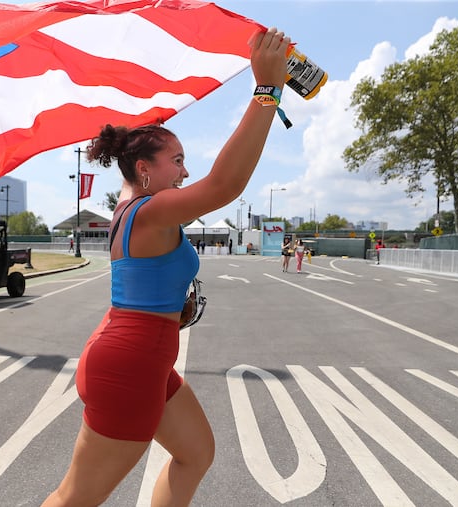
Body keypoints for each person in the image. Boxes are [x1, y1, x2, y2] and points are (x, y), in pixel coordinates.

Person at [42, 26, 290, 507]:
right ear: (144, 170)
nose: (185, 171)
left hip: (143, 356)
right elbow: (224, 185)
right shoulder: (148, 212)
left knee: (196, 454)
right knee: (74, 498)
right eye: (177, 160)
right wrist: (267, 89)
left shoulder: (129, 206)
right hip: (129, 365)